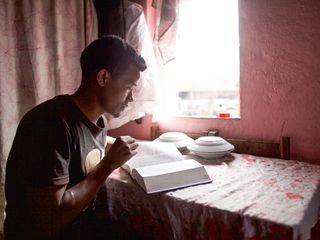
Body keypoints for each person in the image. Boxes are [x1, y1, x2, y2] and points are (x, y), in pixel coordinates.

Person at [4, 35, 146, 239]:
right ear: (103, 78)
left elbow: (82, 148)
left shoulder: (97, 121)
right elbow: (50, 221)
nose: (131, 97)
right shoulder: (50, 123)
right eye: (129, 86)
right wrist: (108, 164)